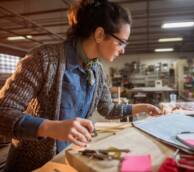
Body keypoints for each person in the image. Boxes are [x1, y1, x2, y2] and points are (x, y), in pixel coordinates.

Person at [0, 0, 162, 171]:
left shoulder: (97, 71)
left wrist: (141, 107)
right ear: (99, 34)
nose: (123, 50)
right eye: (121, 42)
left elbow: (108, 109)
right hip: (31, 165)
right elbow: (3, 113)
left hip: (67, 159)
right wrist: (51, 128)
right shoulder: (44, 59)